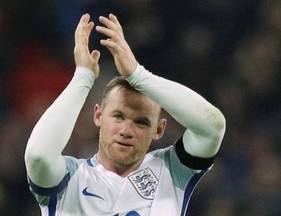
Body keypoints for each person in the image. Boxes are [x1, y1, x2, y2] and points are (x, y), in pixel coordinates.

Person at [24, 13, 226, 216]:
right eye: (118, 116)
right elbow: (38, 156)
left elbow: (212, 127)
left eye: (141, 122)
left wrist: (139, 75)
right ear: (98, 116)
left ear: (159, 129)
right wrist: (83, 77)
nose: (126, 130)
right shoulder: (70, 179)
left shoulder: (172, 172)